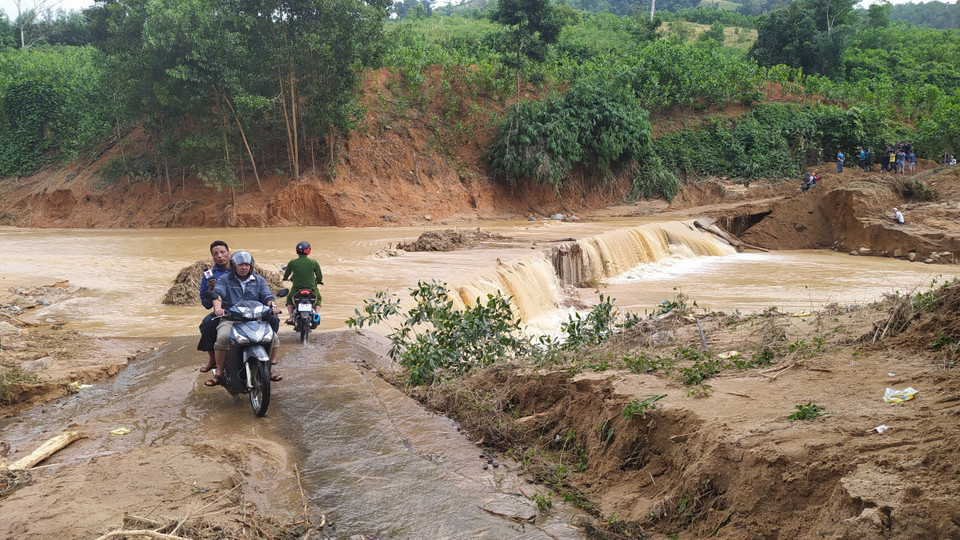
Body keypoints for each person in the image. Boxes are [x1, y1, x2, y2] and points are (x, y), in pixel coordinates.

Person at [207, 251, 283, 386]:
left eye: (247, 265)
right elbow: (218, 294)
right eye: (240, 265)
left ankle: (268, 369)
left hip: (254, 318)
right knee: (223, 337)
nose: (244, 267)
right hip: (231, 318)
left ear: (251, 266)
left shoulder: (258, 280)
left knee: (273, 337)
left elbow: (267, 296)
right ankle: (219, 374)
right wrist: (218, 308)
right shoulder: (225, 279)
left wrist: (273, 306)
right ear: (234, 266)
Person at [198, 240, 231, 373]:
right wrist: (210, 289)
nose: (220, 256)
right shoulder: (209, 276)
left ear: (229, 253)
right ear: (212, 256)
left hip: (242, 309)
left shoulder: (239, 270)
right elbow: (206, 304)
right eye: (215, 254)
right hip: (220, 311)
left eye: (222, 252)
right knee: (206, 324)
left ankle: (267, 364)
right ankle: (212, 359)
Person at [282, 241, 323, 324]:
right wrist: (318, 281)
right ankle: (316, 314)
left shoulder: (292, 262)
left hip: (297, 289)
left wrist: (285, 278)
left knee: (289, 299)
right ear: (308, 250)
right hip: (311, 288)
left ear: (297, 251)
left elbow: (286, 275)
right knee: (318, 298)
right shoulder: (313, 262)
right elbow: (319, 276)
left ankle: (290, 317)